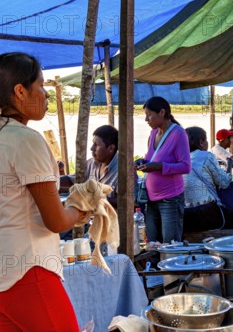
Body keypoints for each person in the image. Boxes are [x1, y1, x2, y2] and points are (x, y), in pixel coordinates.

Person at [0, 52, 89, 331]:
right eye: (41, 86)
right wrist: (80, 209)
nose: (46, 95)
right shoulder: (25, 140)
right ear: (20, 91)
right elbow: (56, 221)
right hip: (29, 270)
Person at [137, 96, 191, 243]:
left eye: (149, 115)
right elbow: (153, 158)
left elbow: (185, 166)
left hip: (170, 199)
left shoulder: (178, 134)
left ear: (161, 112)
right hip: (151, 199)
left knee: (170, 245)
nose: (146, 119)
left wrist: (159, 166)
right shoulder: (154, 133)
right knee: (153, 244)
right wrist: (143, 162)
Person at [60, 125, 137, 209]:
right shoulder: (91, 163)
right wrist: (54, 181)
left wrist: (94, 197)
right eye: (93, 144)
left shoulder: (125, 169)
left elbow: (126, 202)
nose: (92, 148)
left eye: (96, 145)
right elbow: (73, 179)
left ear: (111, 148)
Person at [183, 127, 232, 232]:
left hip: (184, 215)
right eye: (206, 140)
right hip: (207, 214)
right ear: (201, 142)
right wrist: (228, 170)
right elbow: (224, 182)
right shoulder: (206, 156)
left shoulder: (179, 158)